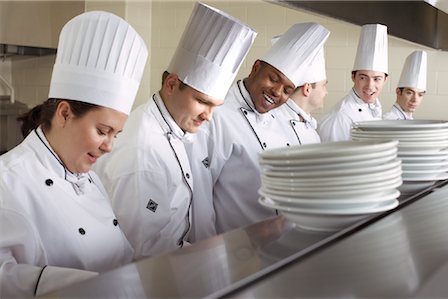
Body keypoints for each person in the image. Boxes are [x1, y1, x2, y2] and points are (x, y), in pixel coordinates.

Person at [0, 11, 147, 297]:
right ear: (65, 113)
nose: (109, 146)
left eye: (116, 134)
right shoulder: (7, 181)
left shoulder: (89, 178)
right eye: (103, 131)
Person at [93, 2, 256, 258]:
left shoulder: (173, 128)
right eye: (202, 101)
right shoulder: (143, 151)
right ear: (171, 84)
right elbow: (141, 253)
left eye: (215, 106)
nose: (208, 116)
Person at [188, 22, 330, 241]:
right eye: (273, 78)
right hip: (234, 248)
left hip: (277, 246)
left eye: (287, 90)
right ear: (255, 68)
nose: (276, 92)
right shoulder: (217, 116)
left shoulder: (280, 119)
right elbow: (200, 197)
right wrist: (207, 254)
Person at [318, 24, 388, 142]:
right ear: (353, 77)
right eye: (363, 78)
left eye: (377, 79)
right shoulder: (340, 117)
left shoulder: (373, 108)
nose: (370, 86)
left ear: (385, 80)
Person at [279, 47, 328, 144]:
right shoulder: (276, 121)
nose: (326, 92)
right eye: (323, 86)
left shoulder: (310, 126)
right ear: (307, 89)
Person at [383, 50, 427, 120]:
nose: (415, 100)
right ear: (398, 92)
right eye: (409, 93)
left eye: (420, 95)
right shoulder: (389, 120)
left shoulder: (408, 120)